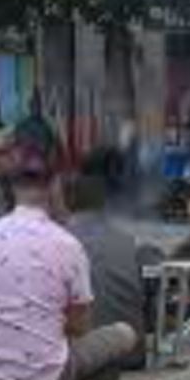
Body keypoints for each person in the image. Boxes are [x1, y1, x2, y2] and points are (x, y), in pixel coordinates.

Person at [0, 143, 140, 380]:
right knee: (124, 333)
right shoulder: (67, 244)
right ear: (56, 190)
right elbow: (80, 327)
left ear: (11, 192)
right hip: (46, 374)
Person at [63, 149, 149, 361]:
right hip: (131, 354)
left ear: (66, 202)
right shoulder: (128, 241)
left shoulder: (55, 244)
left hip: (77, 355)